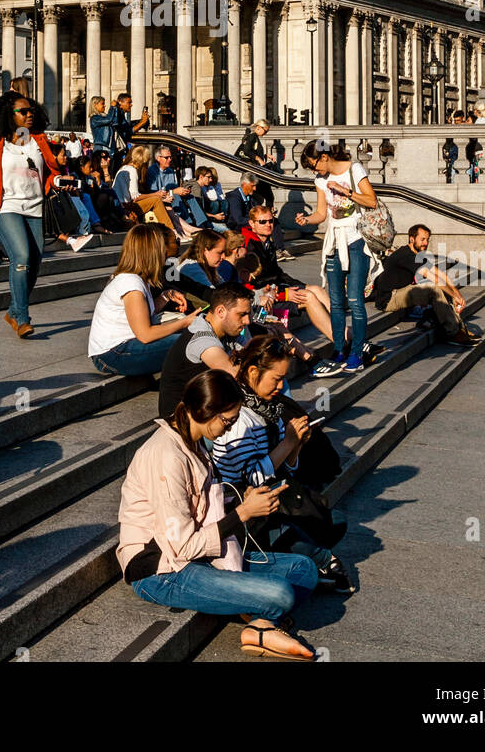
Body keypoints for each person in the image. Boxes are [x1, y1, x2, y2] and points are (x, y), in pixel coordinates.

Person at [119, 369, 320, 660]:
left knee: (303, 570)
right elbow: (181, 546)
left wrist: (247, 502)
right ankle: (261, 621)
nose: (229, 428)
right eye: (227, 420)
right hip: (160, 570)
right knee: (280, 594)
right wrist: (241, 514)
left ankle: (262, 624)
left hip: (200, 556)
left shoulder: (194, 442)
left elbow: (203, 511)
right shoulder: (166, 456)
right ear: (204, 411)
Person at [209, 335, 351, 585]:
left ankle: (306, 555)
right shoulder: (239, 417)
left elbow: (285, 470)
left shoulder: (268, 408)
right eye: (276, 378)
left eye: (284, 378)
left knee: (332, 521)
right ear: (253, 372)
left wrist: (295, 446)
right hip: (243, 508)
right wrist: (287, 444)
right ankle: (311, 561)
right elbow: (249, 480)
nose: (281, 385)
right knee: (320, 530)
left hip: (273, 499)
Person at [0, 92, 61, 339]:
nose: (30, 115)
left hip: (35, 208)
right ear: (9, 115)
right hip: (7, 207)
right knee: (21, 256)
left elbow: (51, 171)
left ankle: (14, 309)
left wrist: (58, 181)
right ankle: (22, 318)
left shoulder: (38, 141)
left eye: (31, 111)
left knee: (35, 264)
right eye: (23, 112)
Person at [296, 140, 379, 376]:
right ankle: (340, 349)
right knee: (336, 300)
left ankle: (356, 352)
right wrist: (307, 219)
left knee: (354, 299)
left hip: (356, 241)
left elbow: (372, 201)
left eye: (314, 165)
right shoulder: (320, 181)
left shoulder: (354, 170)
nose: (314, 171)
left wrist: (347, 192)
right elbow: (322, 213)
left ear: (324, 157)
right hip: (333, 242)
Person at [88, 223, 199, 377]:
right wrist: (185, 322)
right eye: (161, 248)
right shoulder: (130, 283)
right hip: (113, 354)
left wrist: (167, 296)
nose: (165, 253)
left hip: (122, 347)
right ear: (151, 252)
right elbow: (145, 334)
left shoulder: (138, 279)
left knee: (195, 336)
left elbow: (145, 315)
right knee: (192, 341)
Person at [244, 203, 336, 353]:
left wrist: (302, 285)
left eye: (270, 221)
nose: (268, 224)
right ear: (252, 224)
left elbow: (278, 273)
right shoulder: (248, 246)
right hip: (263, 299)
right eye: (262, 222)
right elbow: (256, 283)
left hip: (275, 290)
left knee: (316, 290)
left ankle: (344, 332)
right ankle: (340, 341)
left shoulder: (266, 241)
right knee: (308, 297)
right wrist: (285, 293)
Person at [371, 225, 476, 346]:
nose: (425, 243)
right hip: (389, 299)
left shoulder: (416, 254)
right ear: (411, 239)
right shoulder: (405, 255)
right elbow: (433, 278)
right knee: (434, 289)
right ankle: (453, 333)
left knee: (444, 290)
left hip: (402, 291)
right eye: (422, 239)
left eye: (427, 240)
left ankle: (458, 328)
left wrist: (456, 293)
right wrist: (453, 295)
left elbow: (440, 274)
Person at [158, 282, 252, 416]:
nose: (247, 321)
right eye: (242, 314)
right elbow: (236, 375)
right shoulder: (202, 338)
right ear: (220, 311)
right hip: (184, 421)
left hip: (208, 410)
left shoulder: (228, 330)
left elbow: (254, 357)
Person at [112, 147, 176, 231]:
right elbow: (135, 196)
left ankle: (173, 229)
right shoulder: (133, 171)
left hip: (121, 205)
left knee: (157, 200)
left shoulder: (124, 168)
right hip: (126, 206)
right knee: (156, 200)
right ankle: (171, 230)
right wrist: (156, 194)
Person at [148, 146, 209, 228]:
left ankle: (202, 223)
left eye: (170, 157)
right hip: (159, 199)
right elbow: (153, 193)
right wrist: (174, 192)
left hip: (169, 196)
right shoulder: (152, 172)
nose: (170, 159)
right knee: (176, 196)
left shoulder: (170, 171)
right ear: (159, 158)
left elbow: (173, 188)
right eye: (167, 157)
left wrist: (183, 191)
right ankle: (188, 223)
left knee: (189, 196)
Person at [174, 227, 228, 305]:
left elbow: (225, 287)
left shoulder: (208, 266)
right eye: (220, 252)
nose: (223, 257)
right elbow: (213, 294)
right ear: (204, 250)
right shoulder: (190, 268)